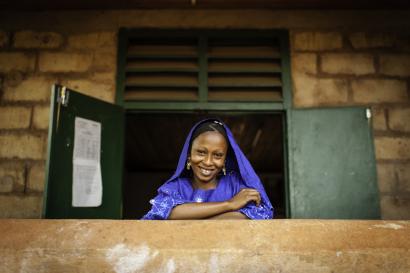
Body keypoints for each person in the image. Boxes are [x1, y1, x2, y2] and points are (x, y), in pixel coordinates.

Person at [142, 118, 274, 220]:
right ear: (189, 156)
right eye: (201, 152)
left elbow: (258, 215)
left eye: (217, 155)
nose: (208, 162)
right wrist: (230, 204)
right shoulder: (176, 187)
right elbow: (168, 212)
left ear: (224, 161)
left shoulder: (236, 185)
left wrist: (191, 218)